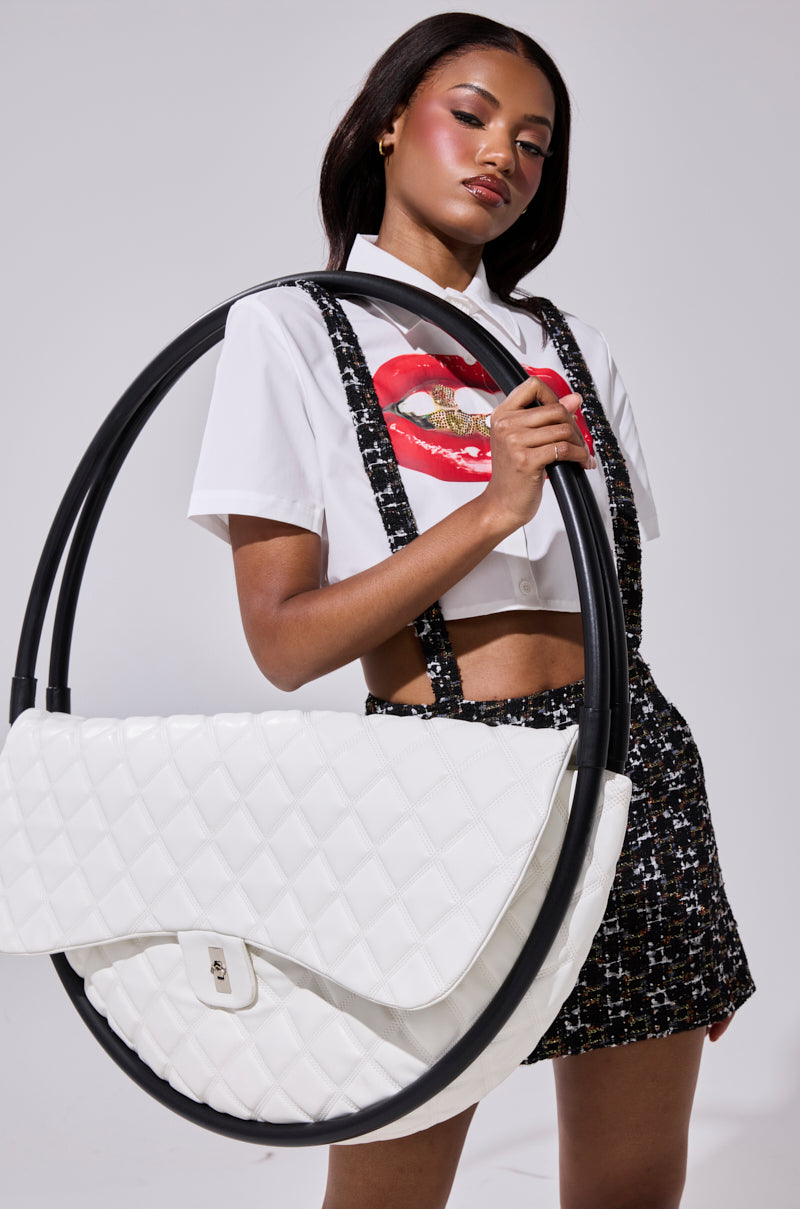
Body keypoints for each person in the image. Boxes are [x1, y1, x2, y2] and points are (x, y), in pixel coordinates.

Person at [188, 13, 754, 1208]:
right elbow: (284, 641)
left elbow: (601, 598)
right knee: (390, 1185)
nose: (502, 153)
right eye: (470, 115)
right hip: (432, 788)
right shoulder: (291, 328)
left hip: (624, 767)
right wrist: (487, 512)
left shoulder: (568, 347)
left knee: (630, 1189)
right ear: (391, 120)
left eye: (535, 144)